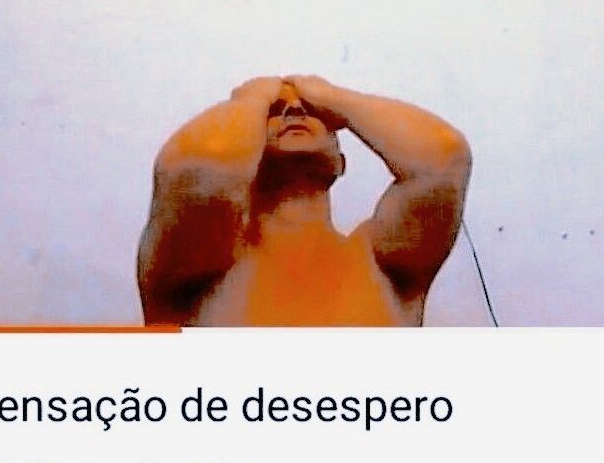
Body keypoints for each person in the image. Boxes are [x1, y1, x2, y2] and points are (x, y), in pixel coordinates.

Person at [137, 76, 471, 326]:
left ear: (341, 163)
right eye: (273, 111)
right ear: (250, 147)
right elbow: (207, 163)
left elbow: (443, 159)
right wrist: (252, 99)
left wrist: (331, 97)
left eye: (313, 112)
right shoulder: (203, 265)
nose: (294, 110)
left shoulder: (382, 262)